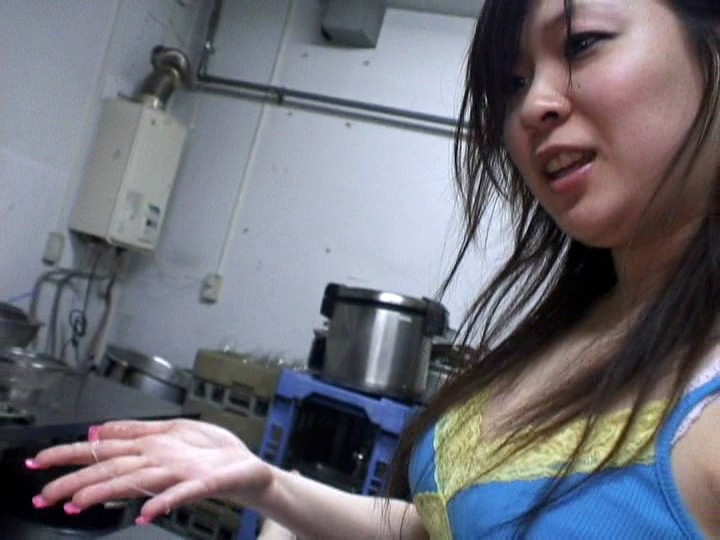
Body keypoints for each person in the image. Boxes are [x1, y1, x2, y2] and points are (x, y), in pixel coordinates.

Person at [25, 0, 720, 537]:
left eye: (582, 43)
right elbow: (443, 527)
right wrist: (264, 482)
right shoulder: (582, 325)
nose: (534, 104)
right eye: (514, 82)